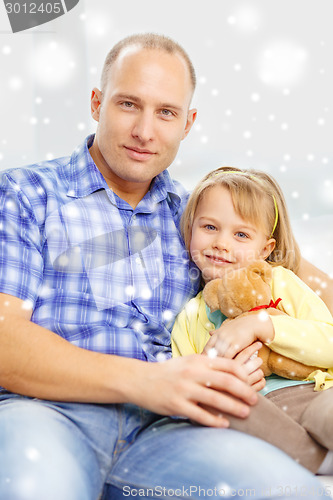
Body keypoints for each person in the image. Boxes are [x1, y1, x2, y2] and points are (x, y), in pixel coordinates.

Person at [0, 33, 330, 500]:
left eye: (166, 113)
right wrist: (151, 381)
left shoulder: (198, 217)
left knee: (294, 494)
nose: (145, 131)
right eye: (128, 104)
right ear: (97, 103)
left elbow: (297, 272)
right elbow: (3, 340)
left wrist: (263, 329)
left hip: (171, 431)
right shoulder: (24, 193)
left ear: (188, 122)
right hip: (48, 414)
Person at [171, 166, 333, 475]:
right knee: (224, 413)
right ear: (190, 228)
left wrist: (264, 324)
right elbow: (187, 388)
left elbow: (329, 342)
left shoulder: (282, 283)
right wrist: (214, 373)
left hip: (313, 391)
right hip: (254, 407)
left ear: (265, 249)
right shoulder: (191, 314)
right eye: (209, 227)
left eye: (241, 234)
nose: (221, 243)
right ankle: (321, 461)